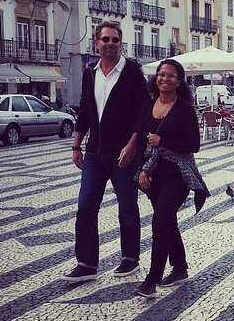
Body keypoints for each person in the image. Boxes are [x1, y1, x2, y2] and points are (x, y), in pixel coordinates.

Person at [62, 21, 149, 283]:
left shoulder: (132, 71)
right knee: (86, 206)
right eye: (106, 39)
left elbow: (142, 113)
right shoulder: (90, 72)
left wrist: (132, 145)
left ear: (120, 43)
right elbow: (85, 110)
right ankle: (86, 263)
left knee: (127, 207)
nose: (110, 44)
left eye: (115, 40)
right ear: (96, 43)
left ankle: (130, 258)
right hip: (94, 153)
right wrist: (77, 145)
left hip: (123, 152)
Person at [133, 59, 210, 298]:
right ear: (156, 78)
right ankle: (180, 267)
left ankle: (152, 279)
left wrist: (162, 141)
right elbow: (138, 141)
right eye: (161, 74)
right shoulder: (147, 106)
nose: (165, 79)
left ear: (179, 81)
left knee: (160, 223)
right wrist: (142, 171)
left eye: (171, 75)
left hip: (178, 174)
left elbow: (193, 145)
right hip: (153, 174)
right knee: (168, 222)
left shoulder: (184, 109)